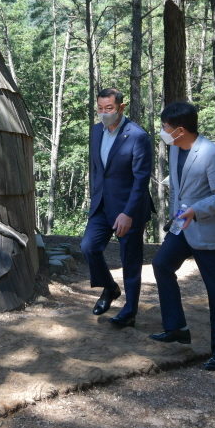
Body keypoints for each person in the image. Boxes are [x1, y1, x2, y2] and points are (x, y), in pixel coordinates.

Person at [150, 102, 215, 371]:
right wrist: (176, 218)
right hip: (182, 224)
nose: (162, 131)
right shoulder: (176, 148)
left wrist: (195, 211)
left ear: (180, 130)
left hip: (209, 230)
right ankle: (177, 327)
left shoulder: (212, 154)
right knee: (161, 265)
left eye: (165, 127)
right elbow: (178, 189)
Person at [80, 88, 154, 328]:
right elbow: (96, 169)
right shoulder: (96, 131)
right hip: (102, 204)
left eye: (109, 108)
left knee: (130, 261)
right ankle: (110, 288)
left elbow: (141, 179)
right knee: (89, 247)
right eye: (100, 108)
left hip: (129, 208)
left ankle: (130, 311)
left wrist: (128, 213)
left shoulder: (137, 136)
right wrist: (94, 197)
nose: (104, 113)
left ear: (121, 107)